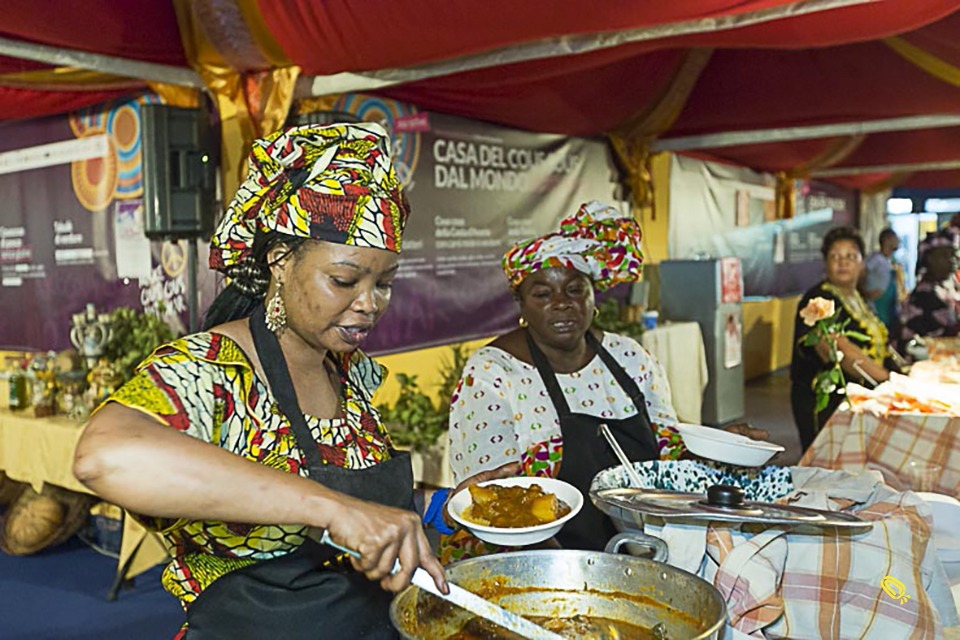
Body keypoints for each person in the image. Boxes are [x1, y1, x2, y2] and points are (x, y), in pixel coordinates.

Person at [72, 123, 513, 640]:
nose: (370, 304)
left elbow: (362, 509)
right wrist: (330, 508)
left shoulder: (344, 370)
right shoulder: (215, 367)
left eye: (385, 283)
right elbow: (104, 456)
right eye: (345, 280)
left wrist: (443, 508)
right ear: (280, 261)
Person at [444, 201, 766, 557]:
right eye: (542, 294)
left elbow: (667, 452)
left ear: (593, 295)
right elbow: (492, 500)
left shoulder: (630, 358)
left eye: (574, 289)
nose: (561, 303)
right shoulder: (493, 373)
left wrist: (717, 449)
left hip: (639, 546)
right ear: (520, 303)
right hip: (535, 557)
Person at [791, 226, 893, 451]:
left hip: (862, 399)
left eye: (850, 256)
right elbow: (839, 350)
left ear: (862, 263)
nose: (843, 262)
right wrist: (890, 380)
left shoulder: (860, 298)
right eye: (835, 256)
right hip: (826, 402)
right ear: (826, 263)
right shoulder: (818, 300)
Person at [900, 230, 960, 350]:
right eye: (945, 255)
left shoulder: (947, 285)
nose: (953, 260)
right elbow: (932, 340)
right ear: (930, 259)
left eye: (954, 254)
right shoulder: (923, 296)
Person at [863, 227, 901, 333]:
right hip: (876, 306)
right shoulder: (875, 259)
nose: (898, 242)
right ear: (887, 240)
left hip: (888, 307)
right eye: (895, 239)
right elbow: (862, 272)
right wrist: (865, 292)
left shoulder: (888, 261)